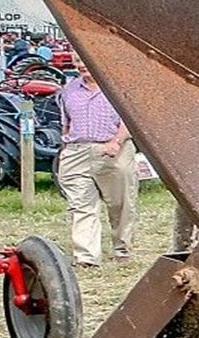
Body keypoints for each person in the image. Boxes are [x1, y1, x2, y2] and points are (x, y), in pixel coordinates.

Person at [55, 54, 137, 267]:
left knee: (121, 204)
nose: (80, 65)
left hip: (112, 149)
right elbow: (66, 124)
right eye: (76, 61)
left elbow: (131, 119)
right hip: (77, 151)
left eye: (83, 59)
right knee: (80, 205)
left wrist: (117, 142)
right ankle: (87, 258)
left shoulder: (116, 86)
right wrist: (67, 150)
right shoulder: (69, 91)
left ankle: (122, 249)